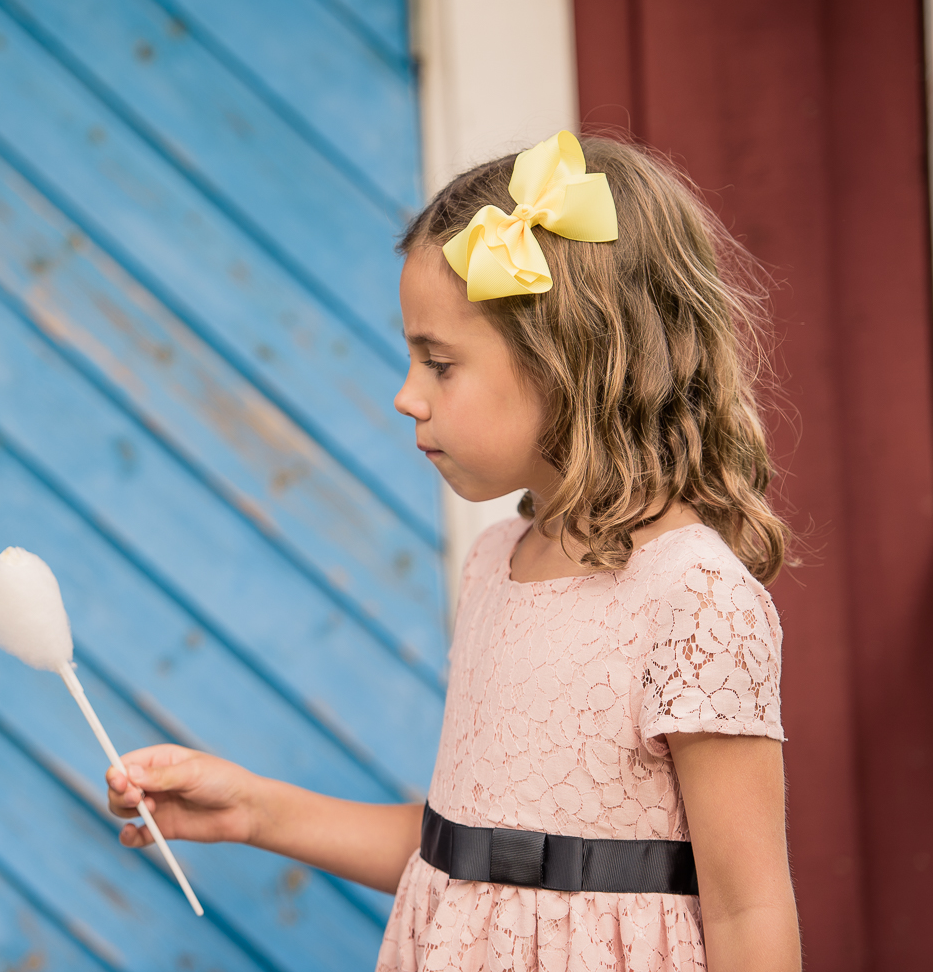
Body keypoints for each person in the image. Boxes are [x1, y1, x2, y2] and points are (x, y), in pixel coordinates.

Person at [105, 131, 802, 971]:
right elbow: (463, 851)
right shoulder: (498, 560)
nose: (406, 396)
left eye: (439, 364)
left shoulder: (694, 598)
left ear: (572, 360)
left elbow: (749, 909)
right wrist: (249, 809)